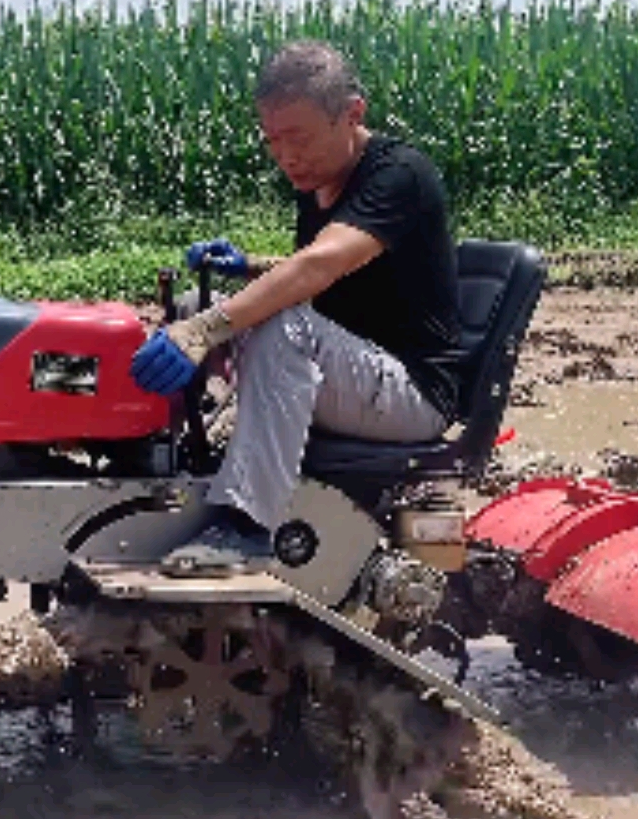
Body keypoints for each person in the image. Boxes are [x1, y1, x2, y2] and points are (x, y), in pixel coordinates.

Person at [131, 40, 462, 573]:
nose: (287, 157)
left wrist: (204, 331)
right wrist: (244, 273)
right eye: (273, 141)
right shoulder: (319, 182)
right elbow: (327, 271)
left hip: (412, 392)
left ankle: (246, 526)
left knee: (273, 323)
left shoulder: (401, 175)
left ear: (353, 113)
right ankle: (152, 459)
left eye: (299, 138)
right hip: (353, 370)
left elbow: (319, 268)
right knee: (199, 300)